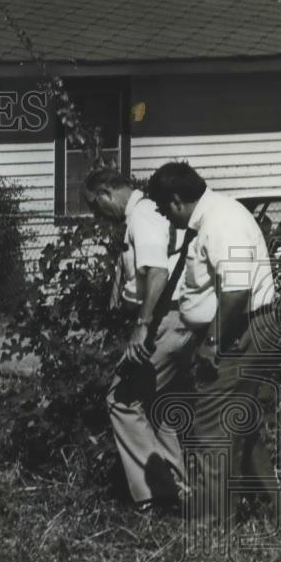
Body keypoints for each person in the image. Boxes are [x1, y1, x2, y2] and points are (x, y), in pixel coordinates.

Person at [144, 161, 280, 521]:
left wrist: (213, 342)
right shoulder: (215, 217)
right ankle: (274, 511)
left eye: (162, 209)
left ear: (175, 200)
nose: (164, 217)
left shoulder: (222, 222)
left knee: (209, 426)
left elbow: (236, 292)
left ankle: (213, 520)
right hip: (242, 326)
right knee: (243, 424)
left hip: (241, 329)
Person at [82, 167, 196, 513]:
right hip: (176, 319)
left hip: (164, 321)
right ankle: (180, 490)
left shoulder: (143, 216)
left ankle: (159, 493)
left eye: (96, 207)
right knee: (153, 405)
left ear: (106, 193)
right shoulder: (147, 214)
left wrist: (143, 325)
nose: (98, 215)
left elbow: (156, 271)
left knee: (121, 399)